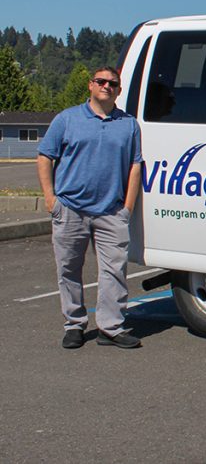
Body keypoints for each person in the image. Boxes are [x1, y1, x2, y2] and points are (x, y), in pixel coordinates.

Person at [37, 66, 143, 349]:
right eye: (101, 81)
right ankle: (74, 324)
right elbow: (45, 156)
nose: (107, 86)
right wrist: (51, 199)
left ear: (119, 90)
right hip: (70, 208)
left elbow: (135, 166)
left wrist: (128, 208)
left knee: (114, 272)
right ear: (90, 86)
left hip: (111, 211)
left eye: (113, 83)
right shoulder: (67, 119)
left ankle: (110, 327)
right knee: (69, 270)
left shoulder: (129, 124)